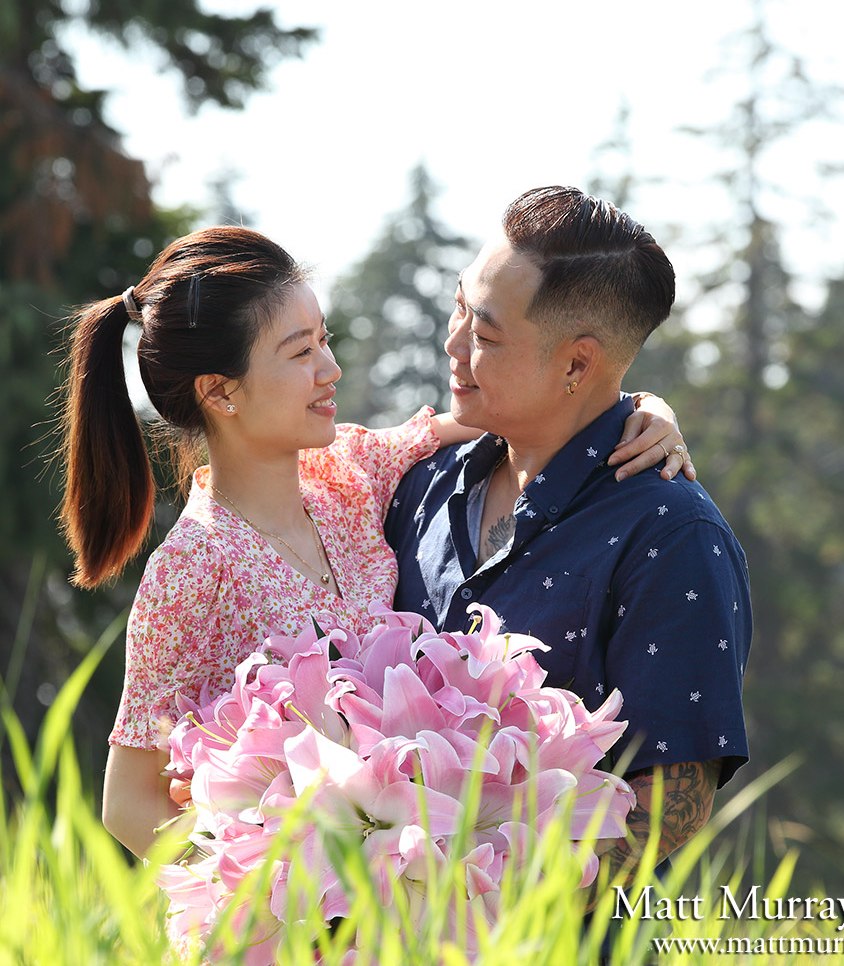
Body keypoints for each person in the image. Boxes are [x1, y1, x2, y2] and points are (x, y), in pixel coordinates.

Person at [56, 226, 694, 858]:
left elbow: (531, 409)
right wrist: (265, 899)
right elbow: (128, 802)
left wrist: (645, 407)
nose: (330, 369)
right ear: (220, 391)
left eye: (324, 340)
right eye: (300, 352)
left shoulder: (353, 468)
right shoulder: (192, 567)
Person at [382, 186, 752, 896]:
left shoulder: (671, 535)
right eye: (459, 309)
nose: (453, 344)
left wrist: (480, 909)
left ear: (578, 364)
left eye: (484, 335)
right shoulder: (421, 481)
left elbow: (671, 804)